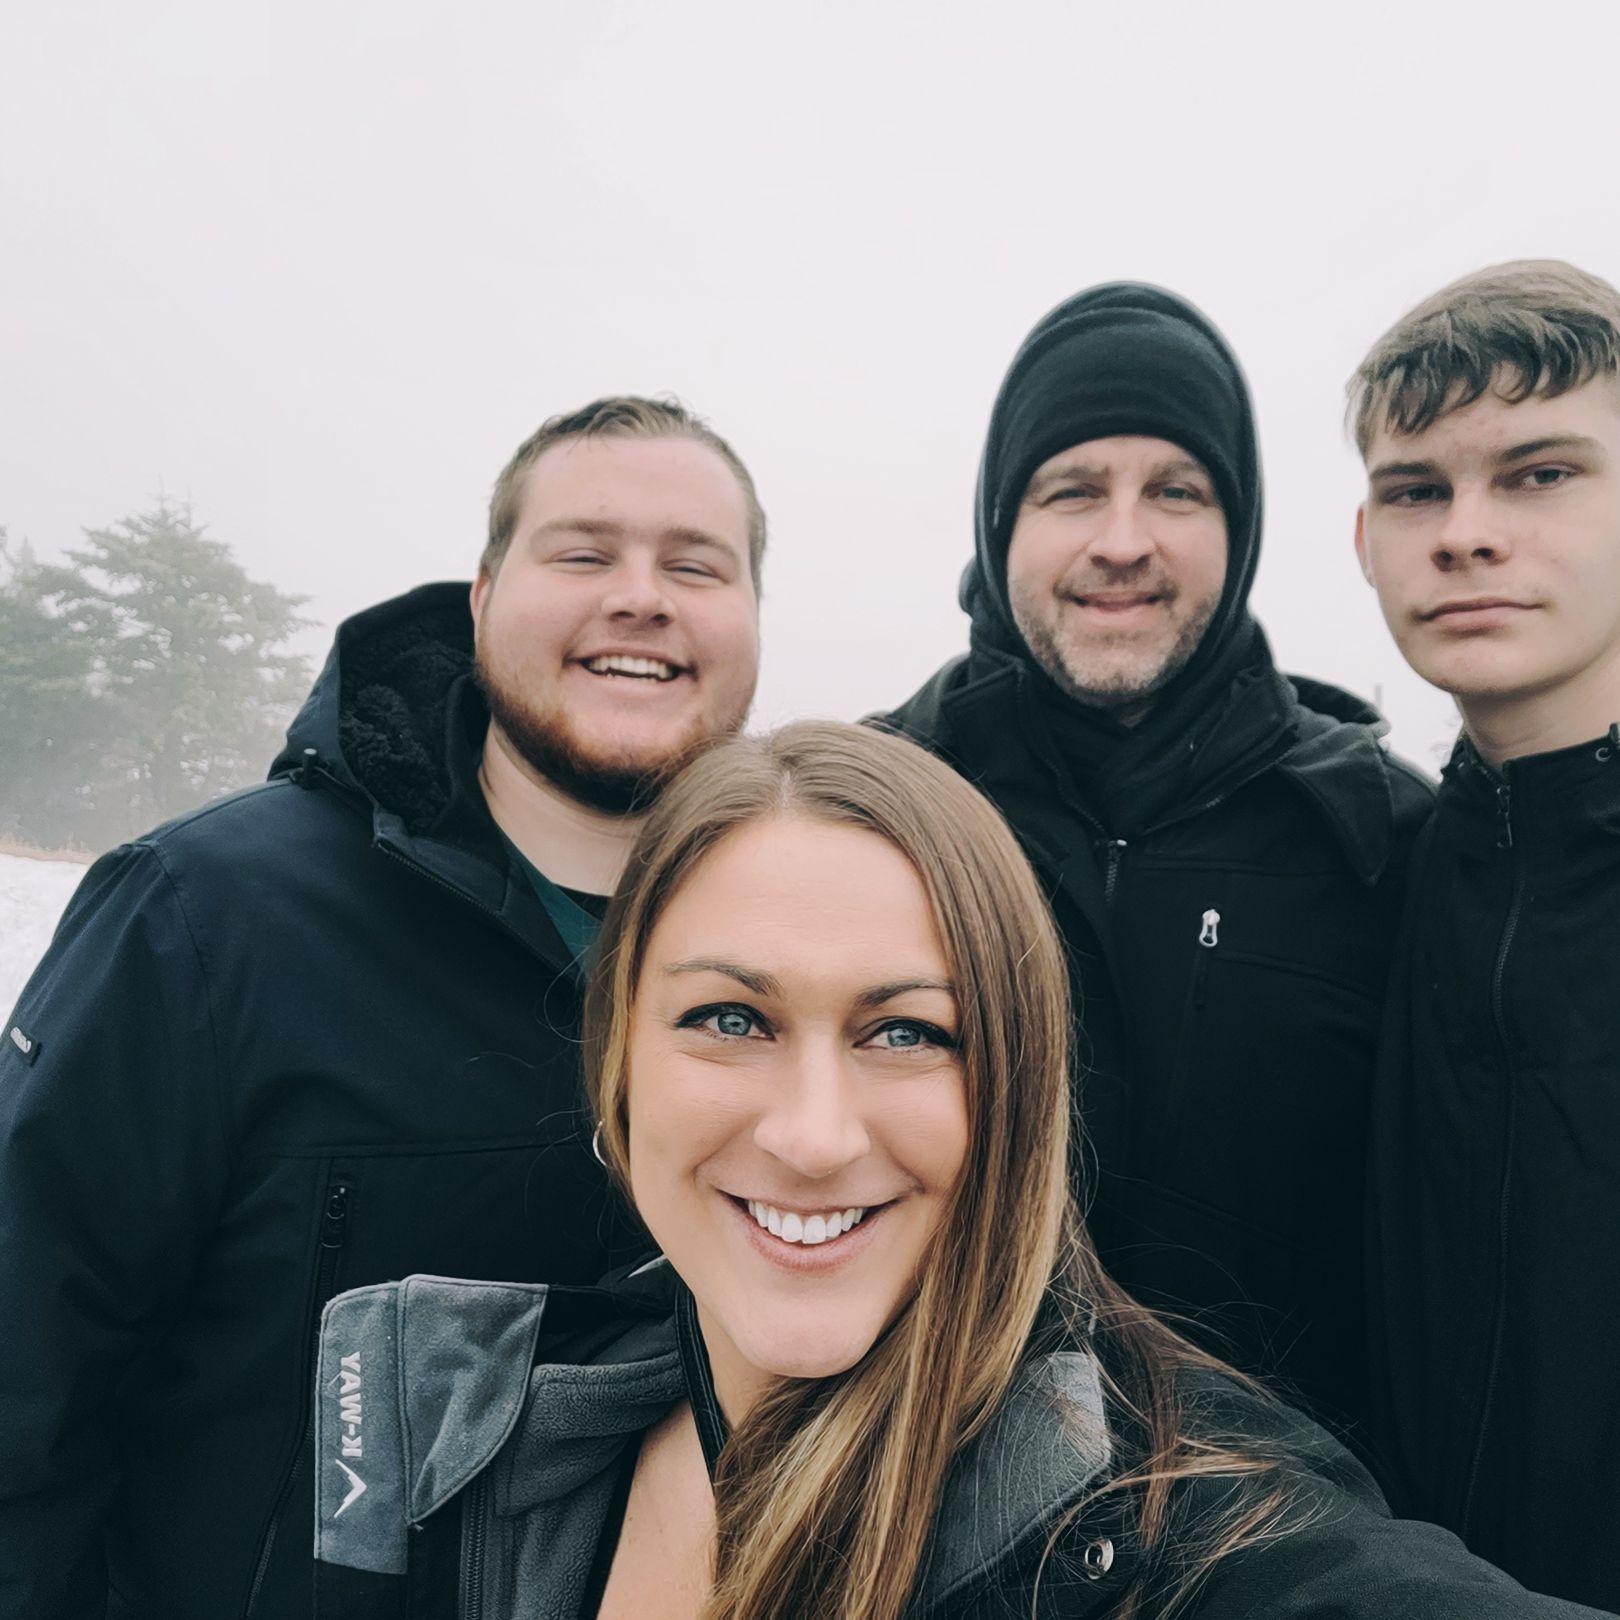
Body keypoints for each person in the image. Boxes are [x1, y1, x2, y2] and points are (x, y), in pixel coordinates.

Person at [313, 720, 1601, 1619]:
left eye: (907, 1033)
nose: (814, 1135)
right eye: (730, 1019)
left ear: (1019, 1097)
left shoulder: (1170, 1528)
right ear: (617, 1067)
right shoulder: (460, 1431)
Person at [0, 395, 763, 1619]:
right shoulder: (207, 916)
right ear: (480, 595)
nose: (641, 595)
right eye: (582, 552)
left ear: (753, 619)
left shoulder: (799, 956)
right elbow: (25, 1392)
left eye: (695, 564)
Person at [878, 282, 1433, 1434]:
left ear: (1240, 530)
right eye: (1072, 489)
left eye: (1175, 491)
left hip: (1293, 1547)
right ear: (1000, 524)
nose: (1122, 541)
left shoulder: (1383, 839)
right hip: (932, 1529)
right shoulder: (879, 814)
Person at [1351, 259, 1620, 1611]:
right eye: (1418, 490)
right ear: (1365, 541)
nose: (1464, 533)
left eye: (1538, 474)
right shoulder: (1370, 871)